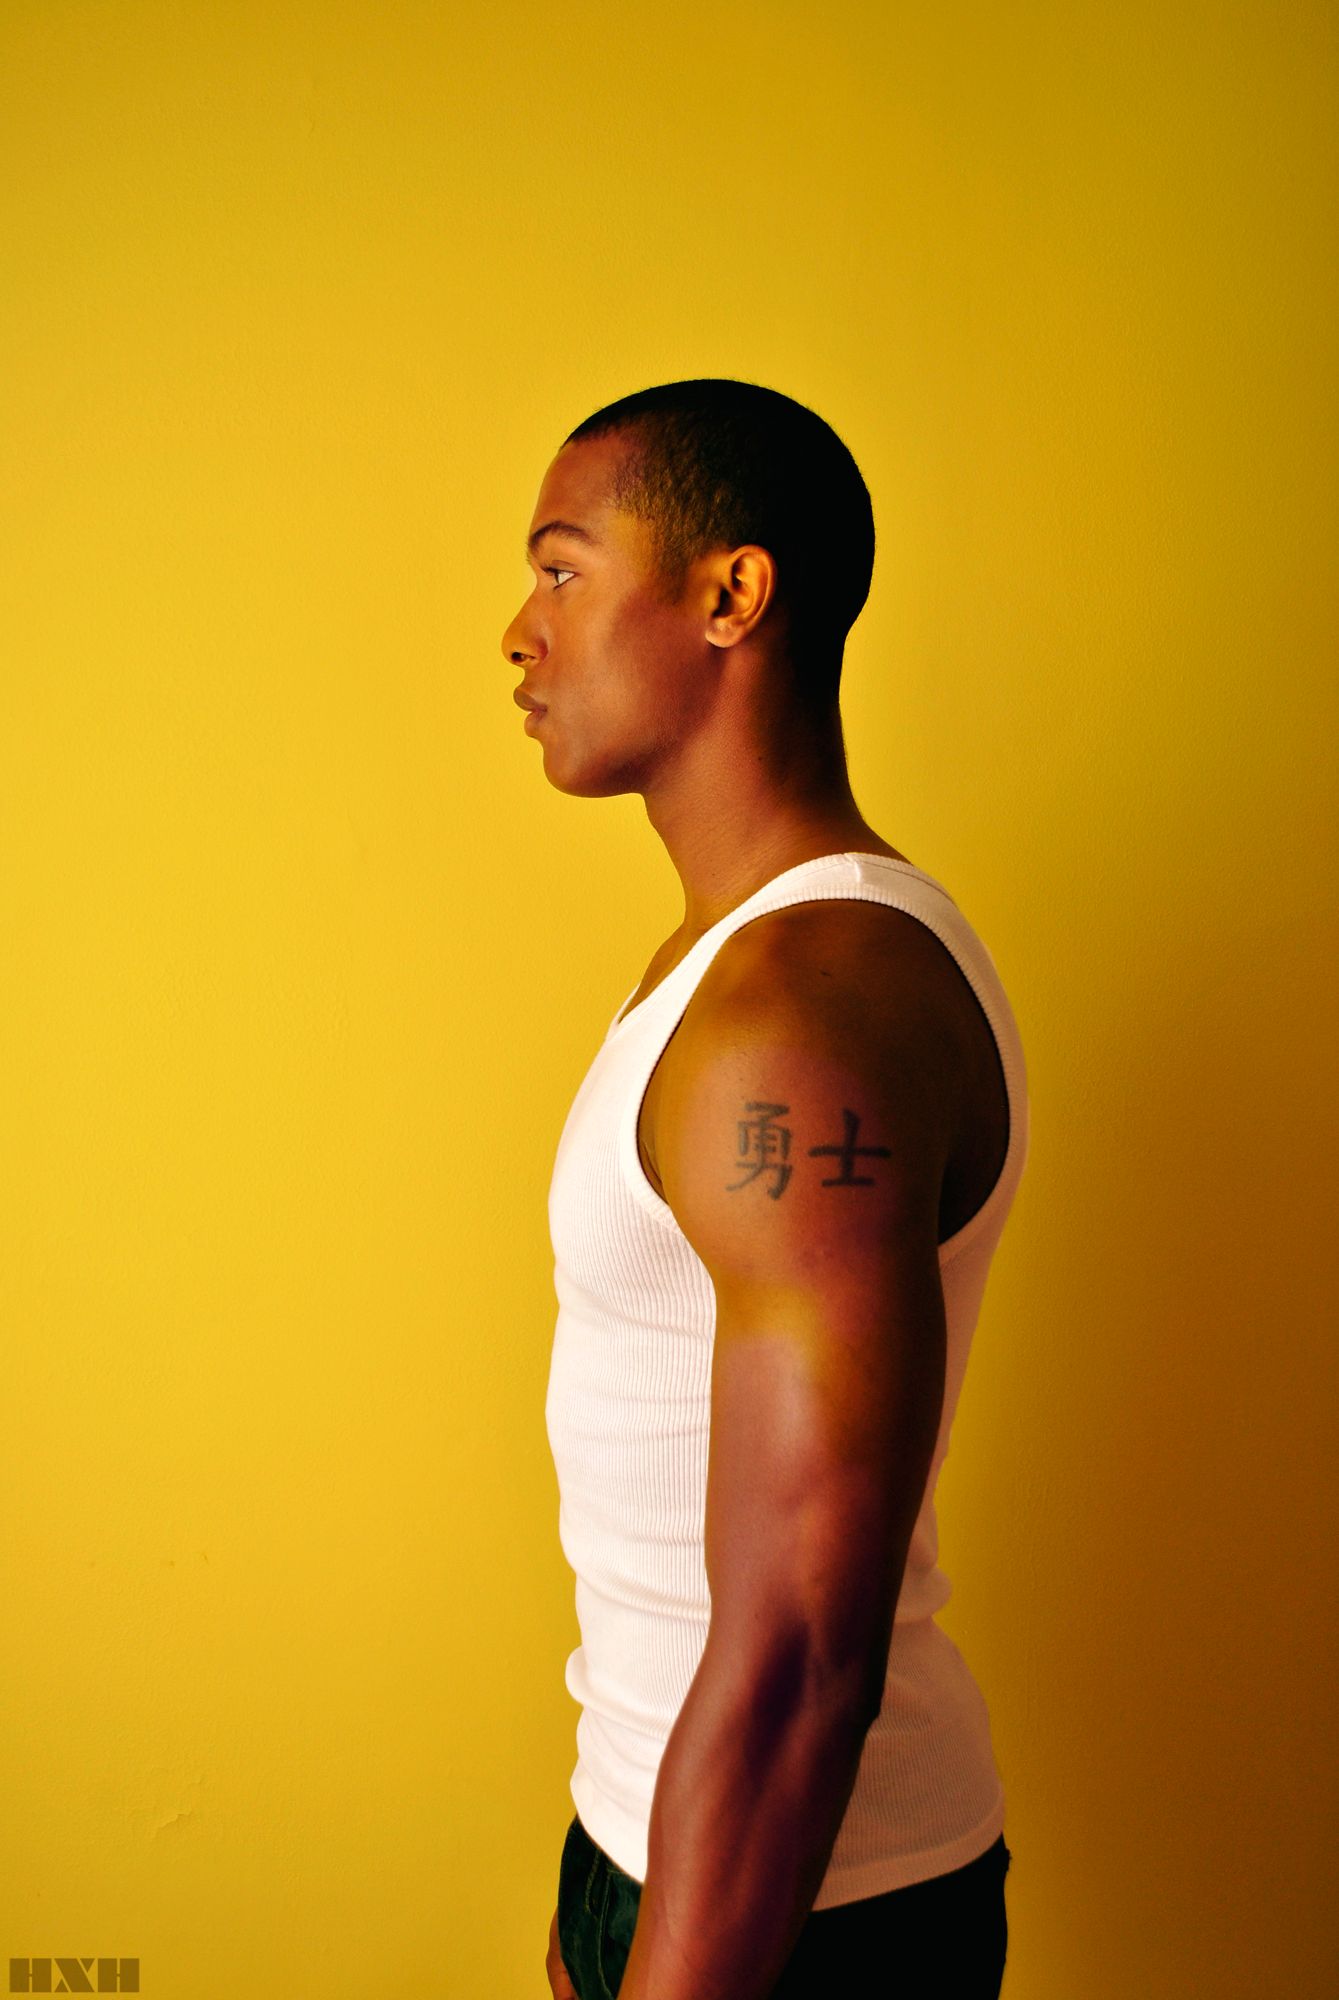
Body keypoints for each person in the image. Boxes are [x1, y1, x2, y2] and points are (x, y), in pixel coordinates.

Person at [501, 380, 1029, 2000]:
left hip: (804, 1912)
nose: (518, 633)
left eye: (562, 568)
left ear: (731, 593)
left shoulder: (797, 1013)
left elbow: (800, 1647)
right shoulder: (734, 968)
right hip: (670, 1848)